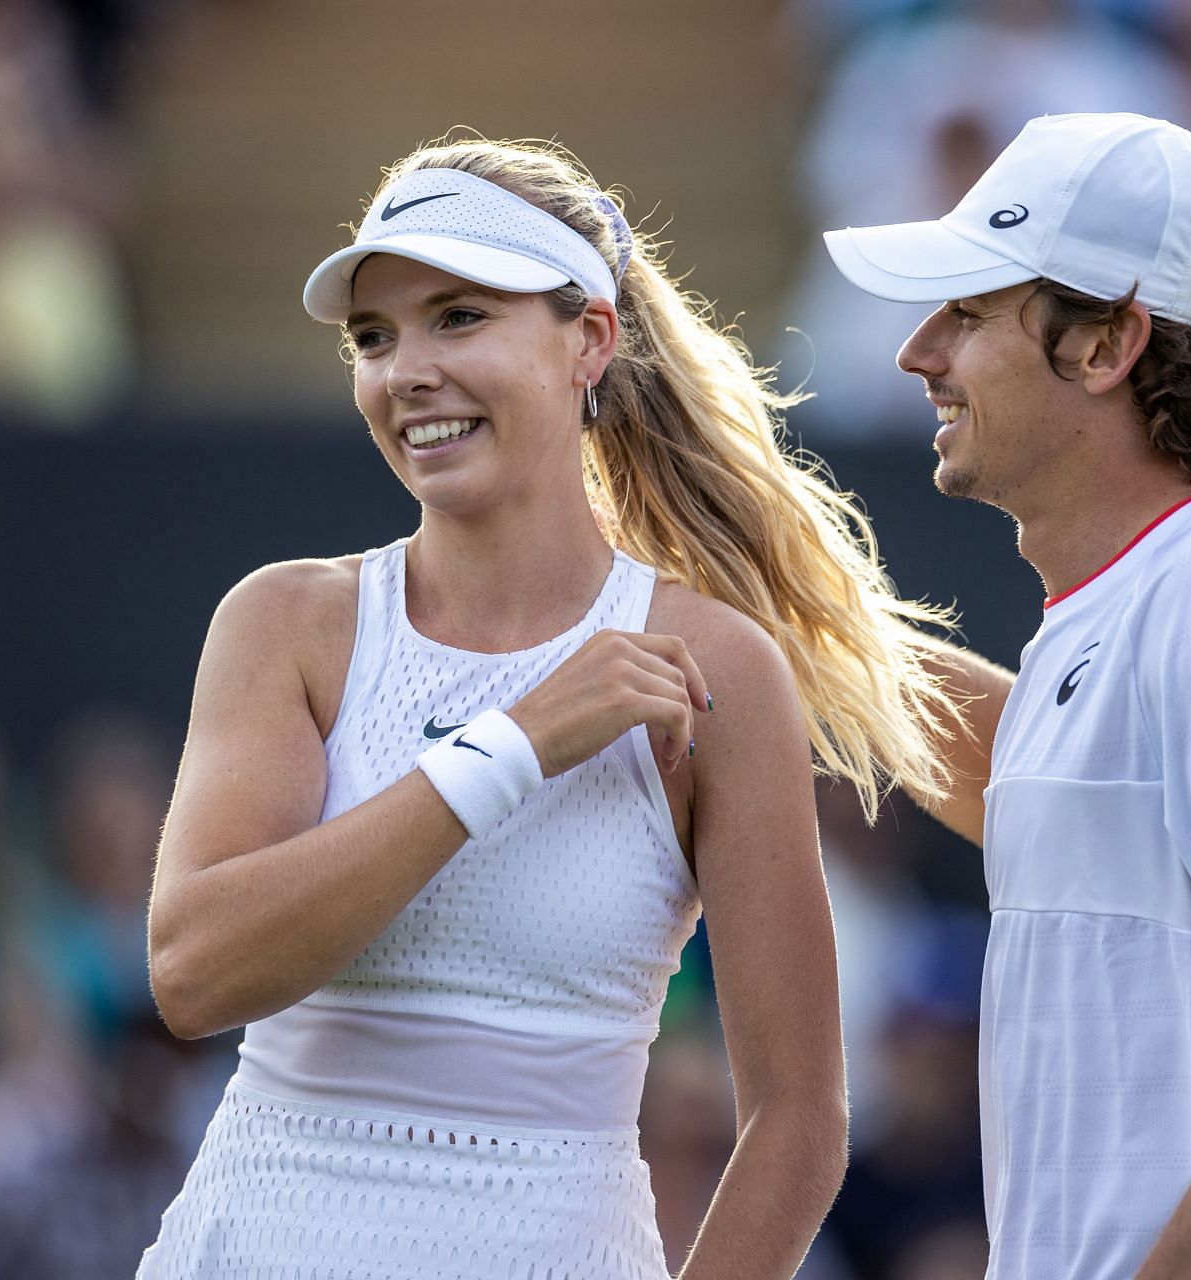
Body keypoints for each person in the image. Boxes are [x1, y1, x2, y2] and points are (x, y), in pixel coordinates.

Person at [139, 133, 959, 1279]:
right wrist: (509, 747)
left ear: (590, 340)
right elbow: (194, 971)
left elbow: (800, 1120)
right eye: (373, 337)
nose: (404, 370)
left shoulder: (717, 661)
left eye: (458, 316)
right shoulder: (286, 621)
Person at [823, 112, 1191, 1279]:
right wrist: (794, 623)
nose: (918, 352)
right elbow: (1049, 797)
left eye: (972, 313)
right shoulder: (1136, 603)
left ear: (1106, 346)